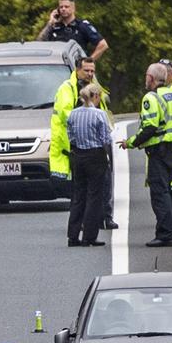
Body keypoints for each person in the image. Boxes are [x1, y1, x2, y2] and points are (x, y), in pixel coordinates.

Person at [118, 63, 172, 246]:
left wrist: (130, 142)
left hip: (160, 150)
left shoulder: (151, 98)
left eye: (147, 75)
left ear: (151, 78)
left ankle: (165, 235)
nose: (145, 79)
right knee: (171, 193)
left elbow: (150, 127)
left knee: (160, 194)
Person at [49, 57, 117, 229]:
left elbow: (104, 108)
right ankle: (83, 222)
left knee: (105, 181)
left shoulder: (95, 86)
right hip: (78, 144)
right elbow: (66, 115)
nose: (90, 73)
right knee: (81, 188)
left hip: (98, 141)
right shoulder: (68, 88)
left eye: (92, 70)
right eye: (87, 70)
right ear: (78, 70)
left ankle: (106, 217)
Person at [65, 83, 112, 247]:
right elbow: (106, 138)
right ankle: (89, 236)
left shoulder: (73, 114)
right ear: (96, 96)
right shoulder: (99, 114)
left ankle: (72, 236)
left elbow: (70, 136)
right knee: (94, 196)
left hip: (78, 156)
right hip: (95, 156)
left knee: (79, 195)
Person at [36, 0, 109, 60]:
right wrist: (50, 23)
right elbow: (39, 43)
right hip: (58, 66)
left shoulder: (82, 25)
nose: (63, 9)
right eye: (61, 7)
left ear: (73, 9)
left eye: (66, 7)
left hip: (77, 67)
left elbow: (103, 45)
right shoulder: (54, 26)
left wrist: (89, 61)